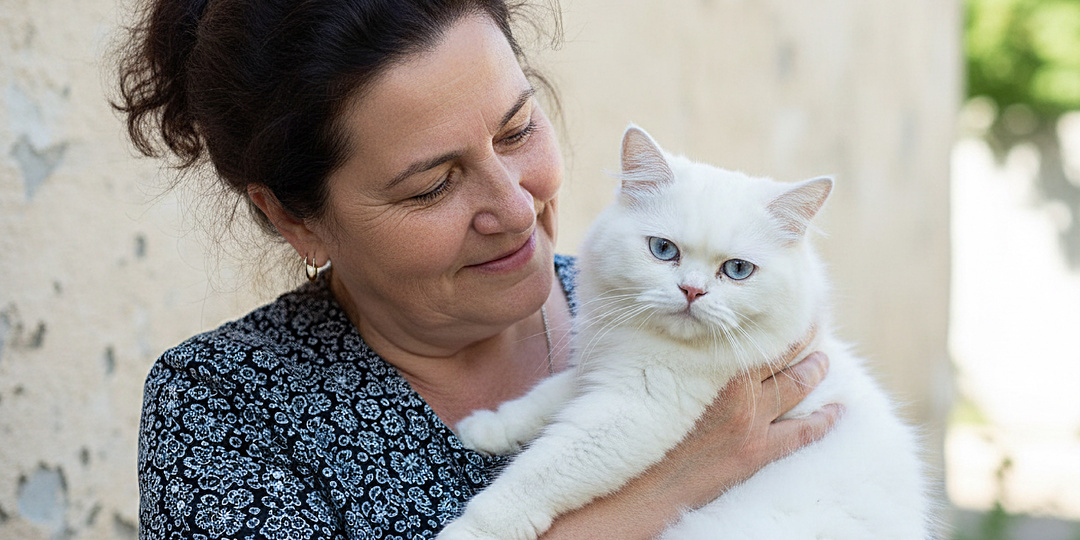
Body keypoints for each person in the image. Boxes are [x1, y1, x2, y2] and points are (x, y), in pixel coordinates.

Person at [116, 0, 844, 538]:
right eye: (434, 185)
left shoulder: (675, 313)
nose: (517, 209)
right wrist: (663, 490)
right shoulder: (225, 405)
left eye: (518, 130)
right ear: (294, 218)